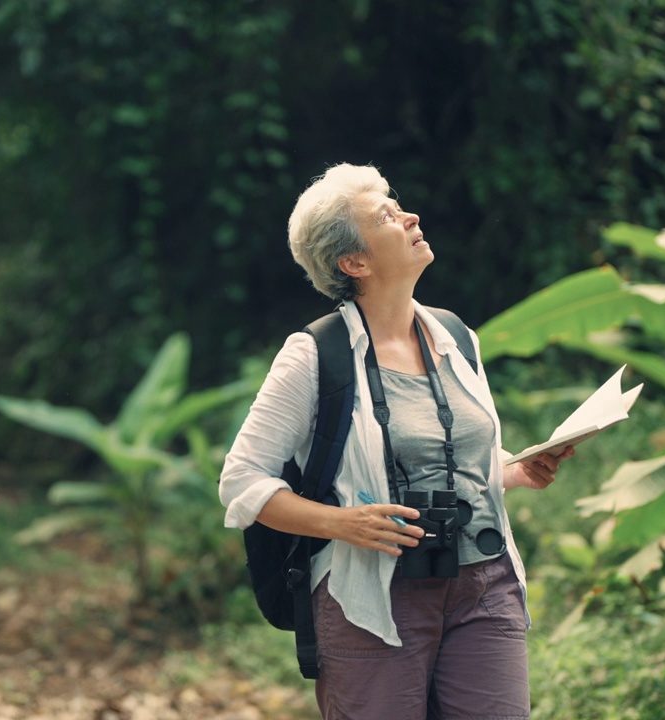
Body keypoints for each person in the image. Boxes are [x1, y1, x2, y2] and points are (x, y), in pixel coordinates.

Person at [219, 163, 575, 719]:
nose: (409, 217)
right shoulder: (314, 355)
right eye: (386, 214)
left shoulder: (457, 338)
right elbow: (241, 480)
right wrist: (343, 524)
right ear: (354, 261)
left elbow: (448, 454)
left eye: (397, 203)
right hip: (372, 597)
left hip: (483, 584)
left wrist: (515, 469)